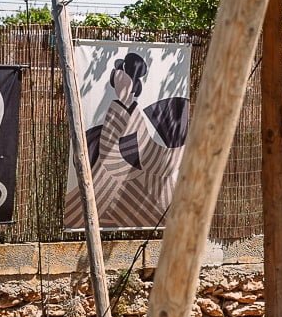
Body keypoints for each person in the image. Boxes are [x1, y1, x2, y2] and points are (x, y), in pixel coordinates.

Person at [67, 50, 190, 230]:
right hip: (120, 185)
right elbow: (114, 156)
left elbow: (147, 155)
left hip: (133, 187)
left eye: (121, 73)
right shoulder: (121, 112)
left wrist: (176, 151)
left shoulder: (131, 115)